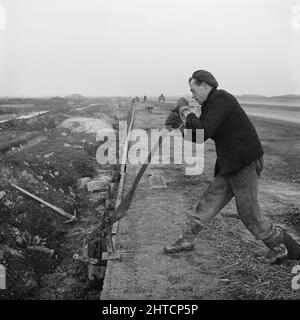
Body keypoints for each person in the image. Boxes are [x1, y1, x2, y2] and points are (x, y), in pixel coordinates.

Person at [164, 69, 300, 264]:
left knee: (249, 215)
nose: (192, 95)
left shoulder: (222, 99)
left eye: (193, 90)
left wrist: (184, 110)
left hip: (243, 163)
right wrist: (179, 127)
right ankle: (185, 239)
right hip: (230, 164)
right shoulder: (210, 105)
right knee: (208, 202)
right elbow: (201, 137)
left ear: (204, 85)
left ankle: (283, 248)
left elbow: (203, 129)